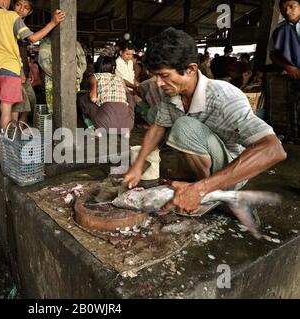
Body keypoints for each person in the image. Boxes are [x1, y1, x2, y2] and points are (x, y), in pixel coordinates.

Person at [122, 28, 286, 214]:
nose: (158, 83)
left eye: (164, 75)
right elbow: (158, 127)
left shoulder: (223, 97)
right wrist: (137, 166)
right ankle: (195, 186)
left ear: (191, 69)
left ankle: (209, 194)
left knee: (184, 127)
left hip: (231, 173)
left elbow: (274, 149)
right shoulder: (173, 92)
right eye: (155, 75)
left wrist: (199, 189)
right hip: (206, 165)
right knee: (164, 121)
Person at [0, 0, 65, 151]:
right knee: (6, 108)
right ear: (7, 1)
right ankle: (6, 146)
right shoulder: (11, 17)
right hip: (9, 69)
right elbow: (33, 39)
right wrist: (53, 23)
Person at [78, 56, 134, 137]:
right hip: (127, 124)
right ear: (113, 68)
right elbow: (128, 94)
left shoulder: (95, 76)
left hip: (105, 124)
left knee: (83, 98)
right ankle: (125, 132)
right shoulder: (120, 78)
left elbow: (93, 98)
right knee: (130, 98)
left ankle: (97, 129)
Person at [38, 36, 87, 113]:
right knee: (59, 109)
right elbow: (44, 63)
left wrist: (77, 74)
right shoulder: (46, 43)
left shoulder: (74, 42)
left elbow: (82, 60)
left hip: (65, 79)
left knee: (67, 109)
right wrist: (74, 74)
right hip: (57, 81)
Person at [13, 0, 38, 124]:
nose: (21, 9)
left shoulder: (22, 27)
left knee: (31, 101)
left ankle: (21, 126)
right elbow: (13, 52)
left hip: (24, 72)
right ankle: (15, 130)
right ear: (13, 6)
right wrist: (20, 72)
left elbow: (22, 52)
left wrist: (28, 70)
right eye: (18, 5)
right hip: (15, 71)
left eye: (26, 7)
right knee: (21, 104)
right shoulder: (11, 23)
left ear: (30, 11)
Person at [270, 0, 300, 79]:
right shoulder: (279, 29)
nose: (287, 12)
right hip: (295, 74)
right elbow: (273, 55)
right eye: (283, 9)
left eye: (292, 6)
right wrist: (288, 67)